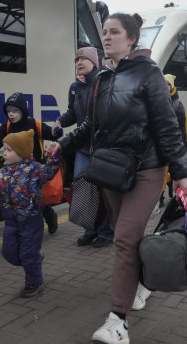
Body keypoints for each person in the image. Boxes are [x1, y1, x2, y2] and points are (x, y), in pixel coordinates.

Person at [47, 12, 187, 344]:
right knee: (126, 237)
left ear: (131, 40)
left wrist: (181, 173)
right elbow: (89, 127)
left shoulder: (149, 75)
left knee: (124, 238)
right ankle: (141, 282)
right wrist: (64, 143)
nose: (107, 37)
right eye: (105, 32)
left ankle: (118, 322)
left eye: (114, 32)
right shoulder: (102, 80)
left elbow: (168, 128)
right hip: (111, 170)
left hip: (146, 170)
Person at [0, 130, 61, 298]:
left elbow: (50, 171)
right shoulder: (1, 173)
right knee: (9, 253)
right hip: (10, 221)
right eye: (4, 149)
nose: (4, 153)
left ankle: (34, 283)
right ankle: (35, 259)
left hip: (31, 220)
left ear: (22, 153)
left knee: (27, 254)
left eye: (9, 150)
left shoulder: (34, 169)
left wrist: (53, 156)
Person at [0, 92, 60, 234]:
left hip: (33, 170)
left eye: (15, 111)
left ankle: (48, 216)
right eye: (9, 111)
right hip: (12, 170)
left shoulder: (35, 125)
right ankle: (22, 228)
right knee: (19, 199)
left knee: (33, 198)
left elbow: (53, 134)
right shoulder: (6, 126)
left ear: (23, 111)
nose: (11, 114)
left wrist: (57, 132)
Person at [53, 47, 114, 247]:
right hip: (82, 148)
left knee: (102, 191)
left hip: (101, 147)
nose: (79, 62)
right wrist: (61, 121)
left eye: (83, 59)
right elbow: (73, 113)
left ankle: (105, 233)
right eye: (77, 59)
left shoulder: (102, 82)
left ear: (94, 62)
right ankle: (90, 230)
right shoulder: (75, 87)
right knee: (82, 189)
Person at [160, 74, 187, 206]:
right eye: (163, 83)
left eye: (167, 84)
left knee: (167, 170)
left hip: (171, 145)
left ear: (172, 86)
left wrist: (181, 148)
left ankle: (172, 199)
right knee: (162, 172)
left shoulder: (177, 105)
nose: (165, 86)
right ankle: (165, 190)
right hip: (158, 144)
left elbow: (181, 130)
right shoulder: (156, 99)